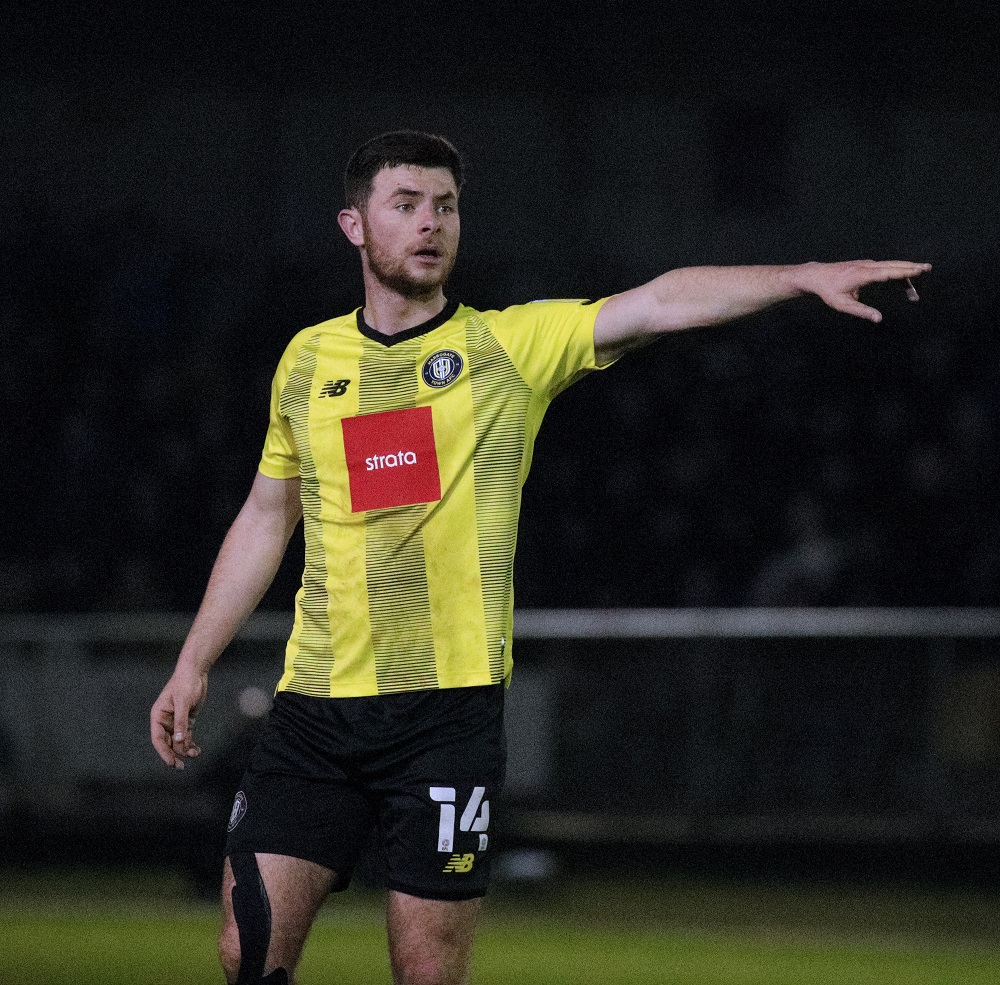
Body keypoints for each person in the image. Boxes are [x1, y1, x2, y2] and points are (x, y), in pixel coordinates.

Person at [150, 129, 930, 984]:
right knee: (247, 949)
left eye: (446, 206)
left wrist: (801, 276)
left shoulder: (507, 348)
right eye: (406, 205)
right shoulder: (308, 359)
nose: (431, 222)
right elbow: (269, 514)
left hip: (445, 718)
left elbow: (659, 302)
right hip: (315, 707)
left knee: (427, 971)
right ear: (354, 226)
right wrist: (195, 659)